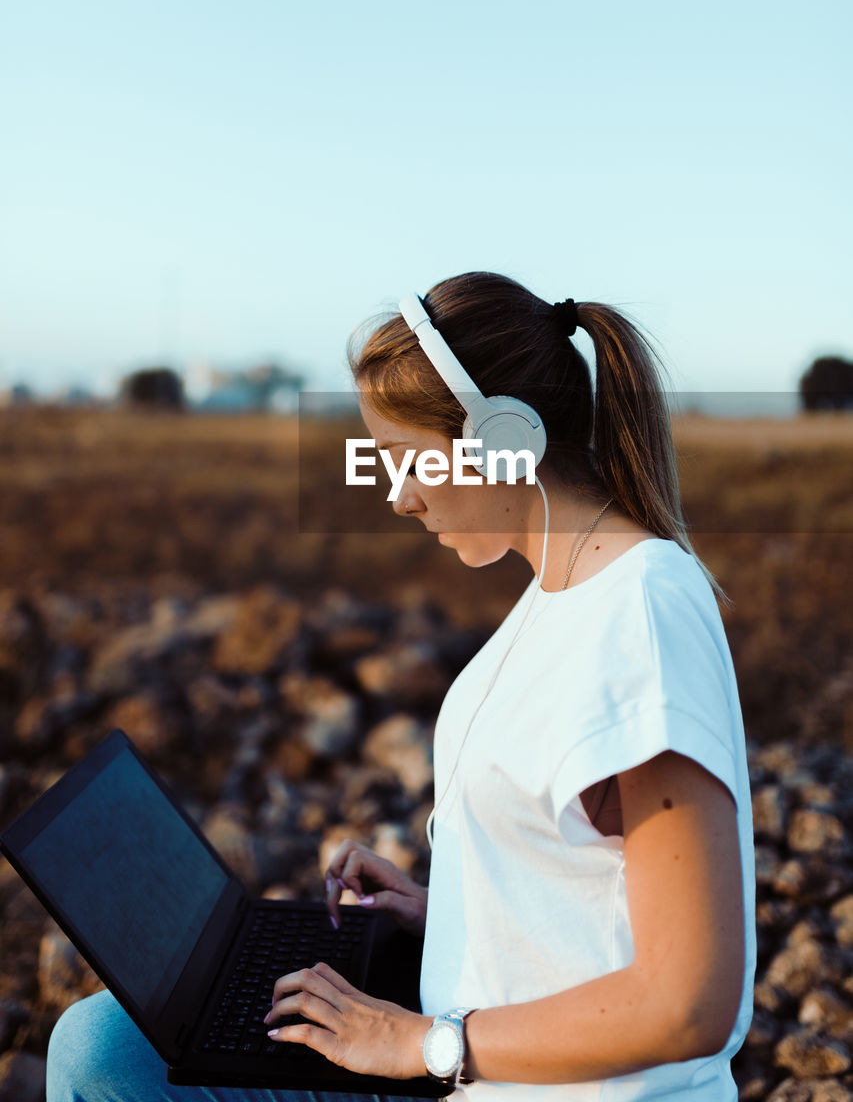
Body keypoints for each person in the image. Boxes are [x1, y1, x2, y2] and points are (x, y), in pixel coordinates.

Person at [47, 271, 756, 1101]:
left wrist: (423, 1043)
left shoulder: (639, 615)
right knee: (103, 1044)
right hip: (477, 1063)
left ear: (503, 438)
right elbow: (587, 876)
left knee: (105, 1059)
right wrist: (456, 914)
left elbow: (688, 1005)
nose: (397, 496)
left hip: (509, 1081)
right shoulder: (559, 597)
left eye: (401, 458)